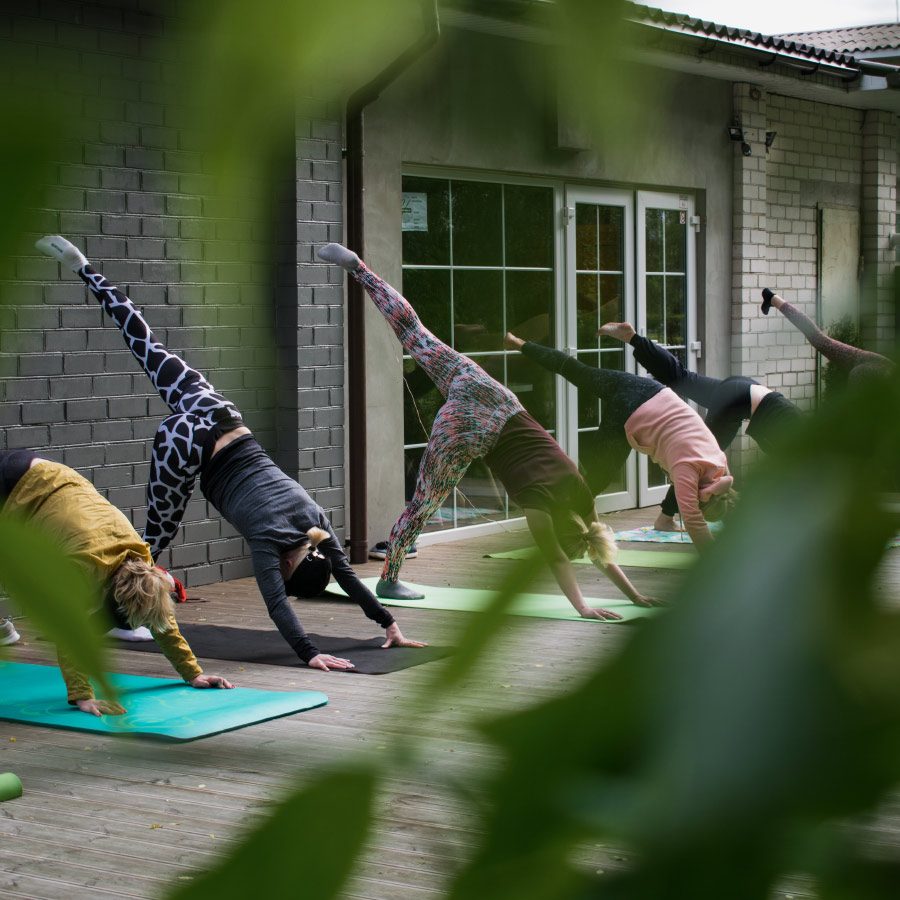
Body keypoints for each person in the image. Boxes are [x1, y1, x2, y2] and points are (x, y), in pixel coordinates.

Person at [36, 236, 424, 671]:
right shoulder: (268, 543)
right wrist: (310, 653)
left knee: (147, 344)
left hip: (221, 416)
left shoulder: (317, 523)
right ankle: (115, 616)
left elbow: (347, 577)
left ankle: (86, 269)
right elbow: (277, 605)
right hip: (187, 446)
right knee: (151, 543)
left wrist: (389, 623)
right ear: (289, 565)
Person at [317, 243, 662, 619]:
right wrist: (584, 607)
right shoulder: (539, 508)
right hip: (470, 430)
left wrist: (635, 596)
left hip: (491, 394)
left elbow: (597, 544)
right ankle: (389, 579)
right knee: (423, 504)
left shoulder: (580, 495)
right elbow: (559, 559)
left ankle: (360, 270)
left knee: (415, 333)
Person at [0, 449, 233, 716]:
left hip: (52, 474)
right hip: (13, 485)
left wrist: (193, 673)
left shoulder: (143, 564)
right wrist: (82, 696)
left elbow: (163, 622)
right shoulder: (83, 568)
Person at [503, 332, 737, 550]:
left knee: (578, 371)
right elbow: (693, 520)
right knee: (599, 477)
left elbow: (719, 497)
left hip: (649, 389)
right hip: (631, 410)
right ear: (704, 500)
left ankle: (520, 343)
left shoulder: (719, 462)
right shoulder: (688, 469)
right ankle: (562, 527)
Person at [598, 322, 801, 531]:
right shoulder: (803, 449)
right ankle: (665, 518)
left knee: (682, 378)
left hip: (743, 389)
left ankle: (633, 338)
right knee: (695, 458)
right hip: (737, 402)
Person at [760, 288, 893, 382]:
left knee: (820, 340)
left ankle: (773, 299)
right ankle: (773, 299)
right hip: (868, 371)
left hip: (869, 362)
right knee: (820, 340)